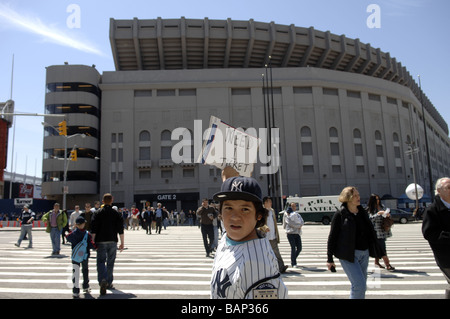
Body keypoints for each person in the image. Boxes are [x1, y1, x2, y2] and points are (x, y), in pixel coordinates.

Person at [211, 173, 288, 299]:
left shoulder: (258, 265)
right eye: (229, 208)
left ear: (258, 215)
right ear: (220, 213)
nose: (235, 217)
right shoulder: (228, 237)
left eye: (245, 209)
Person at [326, 186, 382, 299]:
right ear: (348, 198)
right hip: (348, 255)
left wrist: (379, 250)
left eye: (358, 195)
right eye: (355, 195)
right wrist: (329, 259)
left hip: (364, 253)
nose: (358, 197)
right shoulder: (340, 214)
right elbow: (332, 236)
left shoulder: (362, 212)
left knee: (361, 286)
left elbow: (370, 231)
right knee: (359, 285)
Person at [91, 193, 125, 296]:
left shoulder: (97, 213)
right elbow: (120, 229)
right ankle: (109, 282)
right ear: (112, 200)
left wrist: (93, 241)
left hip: (100, 241)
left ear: (102, 201)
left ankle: (102, 279)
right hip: (113, 240)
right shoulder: (116, 213)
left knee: (101, 261)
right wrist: (122, 243)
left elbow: (94, 229)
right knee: (111, 262)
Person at [422, 177, 450, 299]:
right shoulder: (432, 210)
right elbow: (429, 233)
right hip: (446, 257)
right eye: (448, 187)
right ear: (439, 191)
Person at [66, 216, 96, 298]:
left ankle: (75, 291)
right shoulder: (87, 234)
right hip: (84, 256)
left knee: (75, 272)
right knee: (85, 270)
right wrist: (96, 247)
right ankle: (86, 286)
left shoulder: (73, 233)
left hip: (75, 256)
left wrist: (73, 229)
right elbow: (91, 244)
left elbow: (67, 237)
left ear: (76, 224)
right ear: (83, 224)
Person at [367, 194, 395, 271]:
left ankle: (377, 262)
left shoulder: (382, 207)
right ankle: (388, 264)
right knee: (382, 248)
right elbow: (370, 219)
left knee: (379, 247)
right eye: (376, 199)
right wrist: (378, 214)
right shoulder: (370, 209)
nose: (378, 201)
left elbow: (388, 215)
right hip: (376, 232)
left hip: (383, 230)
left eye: (378, 199)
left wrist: (388, 215)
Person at [259, 197, 287, 273]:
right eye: (269, 202)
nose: (271, 203)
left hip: (273, 236)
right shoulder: (261, 212)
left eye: (271, 202)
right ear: (265, 203)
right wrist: (264, 228)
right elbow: (258, 224)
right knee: (265, 254)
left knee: (276, 252)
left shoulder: (272, 211)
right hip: (265, 237)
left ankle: (281, 267)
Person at [283, 202, 304, 269]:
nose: (294, 207)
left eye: (295, 206)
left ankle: (293, 258)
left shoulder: (297, 214)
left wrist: (300, 225)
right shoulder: (287, 214)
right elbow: (290, 223)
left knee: (299, 248)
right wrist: (298, 226)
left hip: (297, 233)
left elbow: (302, 221)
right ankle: (293, 263)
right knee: (293, 248)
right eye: (292, 206)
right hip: (290, 233)